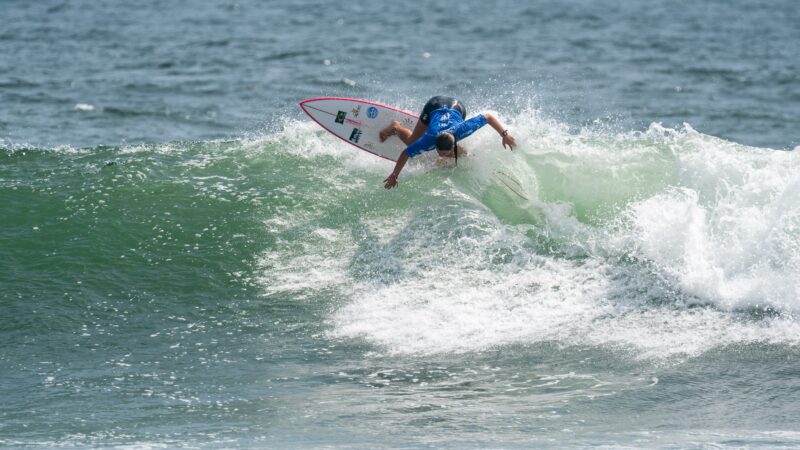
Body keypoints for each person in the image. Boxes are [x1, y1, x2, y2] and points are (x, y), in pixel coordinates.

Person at [380, 95, 516, 189]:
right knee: (411, 142)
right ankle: (395, 128)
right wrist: (394, 175)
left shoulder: (462, 130)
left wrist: (505, 135)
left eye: (447, 152)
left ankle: (450, 154)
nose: (443, 154)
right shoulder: (428, 141)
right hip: (433, 105)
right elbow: (406, 153)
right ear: (435, 148)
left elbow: (488, 117)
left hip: (457, 106)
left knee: (461, 155)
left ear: (454, 143)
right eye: (442, 153)